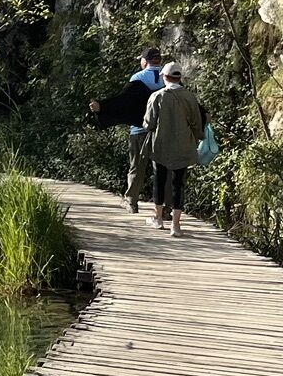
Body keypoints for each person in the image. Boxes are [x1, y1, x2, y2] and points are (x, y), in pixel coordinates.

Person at [87, 46, 167, 212]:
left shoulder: (138, 78)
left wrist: (102, 107)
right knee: (162, 168)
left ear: (145, 61)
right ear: (159, 60)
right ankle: (164, 208)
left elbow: (123, 102)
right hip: (163, 130)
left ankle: (131, 202)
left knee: (136, 167)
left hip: (139, 130)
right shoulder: (168, 77)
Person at [142, 61, 206, 237]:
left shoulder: (157, 96)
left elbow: (148, 124)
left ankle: (158, 218)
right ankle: (176, 225)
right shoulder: (189, 97)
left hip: (160, 145)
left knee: (159, 181)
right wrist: (198, 137)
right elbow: (196, 123)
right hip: (183, 144)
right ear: (179, 77)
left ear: (164, 77)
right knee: (179, 183)